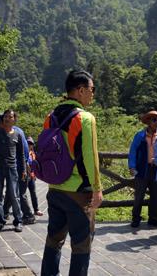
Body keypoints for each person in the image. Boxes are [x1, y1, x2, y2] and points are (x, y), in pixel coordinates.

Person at [40, 70, 103, 276]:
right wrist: (97, 189)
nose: (93, 94)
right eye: (92, 90)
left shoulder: (51, 116)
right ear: (81, 90)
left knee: (54, 239)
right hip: (78, 192)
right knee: (81, 244)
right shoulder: (85, 118)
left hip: (55, 188)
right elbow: (90, 157)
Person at [0, 109, 27, 232]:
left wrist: (23, 170)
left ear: (14, 119)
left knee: (14, 196)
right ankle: (0, 220)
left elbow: (21, 154)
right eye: (5, 116)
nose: (7, 118)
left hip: (12, 169)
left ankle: (18, 221)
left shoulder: (18, 134)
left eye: (10, 116)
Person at [128, 110, 157, 228]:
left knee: (155, 195)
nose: (156, 122)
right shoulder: (140, 136)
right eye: (154, 119)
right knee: (139, 195)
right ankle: (135, 218)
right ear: (148, 121)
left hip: (156, 169)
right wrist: (132, 166)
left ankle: (153, 218)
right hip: (142, 168)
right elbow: (133, 151)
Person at [3, 124, 35, 225]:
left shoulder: (13, 133)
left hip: (19, 168)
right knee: (10, 190)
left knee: (20, 193)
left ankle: (28, 215)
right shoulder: (17, 130)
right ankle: (4, 212)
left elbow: (18, 154)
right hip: (19, 167)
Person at [26, 137, 43, 216]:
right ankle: (9, 210)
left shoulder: (33, 153)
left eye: (31, 144)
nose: (29, 145)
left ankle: (36, 209)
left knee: (33, 193)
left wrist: (35, 174)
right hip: (24, 175)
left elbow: (35, 164)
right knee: (20, 193)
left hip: (32, 176)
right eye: (28, 143)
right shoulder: (23, 152)